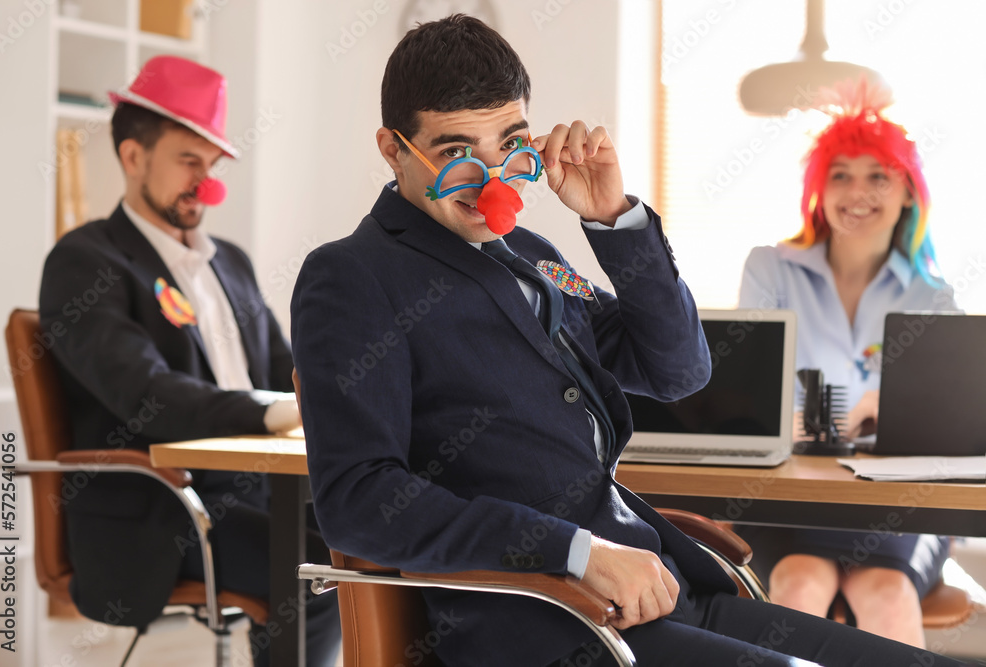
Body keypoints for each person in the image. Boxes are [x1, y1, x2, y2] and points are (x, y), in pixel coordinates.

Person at [291, 16, 969, 667]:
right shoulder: (352, 276)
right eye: (457, 152)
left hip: (662, 592)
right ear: (392, 149)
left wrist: (616, 220)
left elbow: (676, 369)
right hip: (549, 625)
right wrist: (575, 550)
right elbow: (358, 499)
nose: (494, 179)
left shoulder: (527, 251)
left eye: (511, 145)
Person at [38, 56, 340, 667]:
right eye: (187, 161)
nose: (206, 183)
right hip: (169, 508)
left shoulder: (230, 261)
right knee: (323, 577)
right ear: (132, 156)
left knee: (379, 544)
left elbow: (290, 371)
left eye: (212, 165)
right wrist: (272, 412)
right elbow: (146, 392)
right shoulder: (87, 262)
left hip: (267, 490)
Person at [737, 80, 958, 647]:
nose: (857, 192)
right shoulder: (771, 270)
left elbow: (956, 422)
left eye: (877, 175)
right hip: (789, 497)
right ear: (819, 190)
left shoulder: (933, 298)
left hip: (893, 508)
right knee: (800, 585)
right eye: (841, 174)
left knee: (886, 594)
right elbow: (749, 397)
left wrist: (887, 409)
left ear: (908, 192)